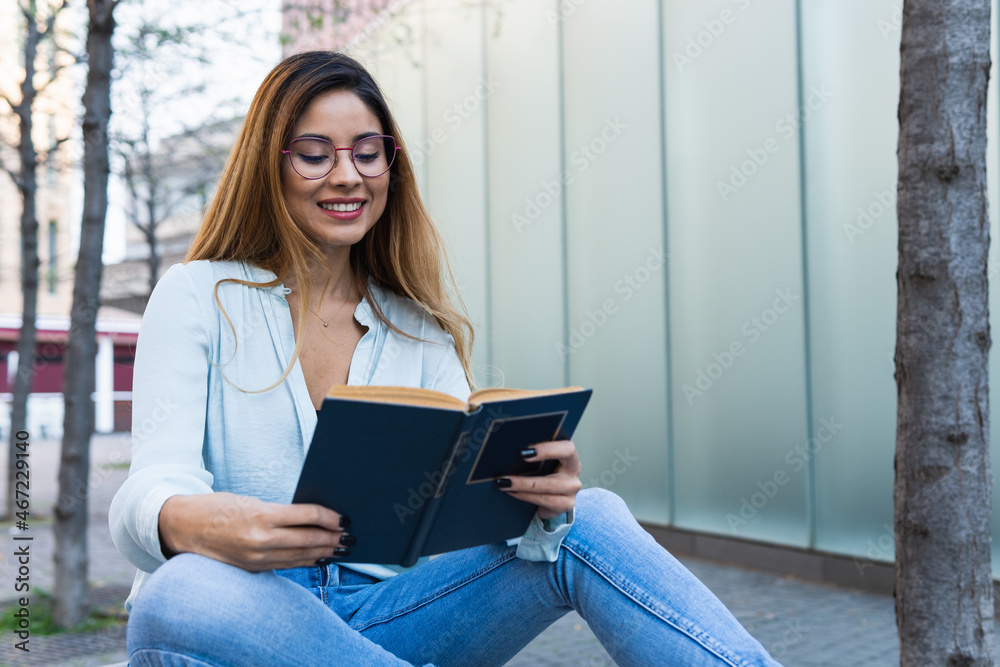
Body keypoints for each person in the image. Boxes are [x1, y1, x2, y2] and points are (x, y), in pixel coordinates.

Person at [109, 50, 781, 667]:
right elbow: (150, 484)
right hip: (242, 614)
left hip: (391, 621)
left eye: (368, 152)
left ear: (390, 165)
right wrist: (215, 524)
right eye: (314, 153)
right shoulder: (198, 295)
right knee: (182, 588)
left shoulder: (419, 329)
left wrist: (541, 505)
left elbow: (452, 526)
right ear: (270, 163)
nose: (347, 174)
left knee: (591, 515)